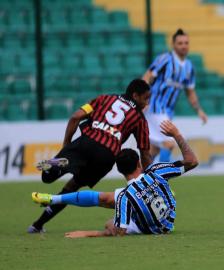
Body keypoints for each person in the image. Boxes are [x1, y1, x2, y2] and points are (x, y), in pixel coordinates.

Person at [31, 120, 198, 237]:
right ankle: (55, 196)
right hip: (167, 221)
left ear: (119, 171)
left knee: (108, 211)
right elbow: (192, 161)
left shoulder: (126, 196)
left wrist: (87, 233)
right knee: (110, 203)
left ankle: (54, 197)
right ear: (139, 163)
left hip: (149, 226)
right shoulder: (156, 171)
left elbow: (119, 231)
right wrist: (176, 134)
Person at [27, 79, 153, 234]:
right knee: (71, 187)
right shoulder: (140, 119)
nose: (147, 103)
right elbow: (145, 153)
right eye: (146, 98)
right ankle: (36, 225)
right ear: (135, 95)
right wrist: (148, 180)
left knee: (46, 178)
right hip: (106, 156)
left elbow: (76, 116)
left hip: (86, 142)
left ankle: (57, 162)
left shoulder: (103, 98)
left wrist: (67, 145)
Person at [142, 28, 208, 163]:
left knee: (153, 149)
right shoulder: (165, 60)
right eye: (180, 43)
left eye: (186, 43)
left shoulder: (189, 67)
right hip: (155, 106)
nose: (184, 46)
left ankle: (141, 178)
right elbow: (147, 76)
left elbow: (190, 91)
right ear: (173, 45)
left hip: (167, 111)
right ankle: (162, 179)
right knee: (169, 143)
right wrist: (143, 101)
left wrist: (199, 110)